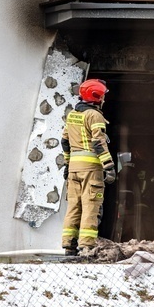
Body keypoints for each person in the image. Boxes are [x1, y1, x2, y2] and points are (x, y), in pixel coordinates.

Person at [61, 79, 116, 256]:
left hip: (74, 169)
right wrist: (109, 167)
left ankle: (69, 244)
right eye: (102, 96)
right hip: (91, 170)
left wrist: (67, 165)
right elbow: (99, 143)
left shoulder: (72, 115)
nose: (104, 100)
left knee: (74, 206)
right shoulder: (95, 116)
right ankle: (87, 246)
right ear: (97, 97)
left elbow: (64, 141)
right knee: (91, 206)